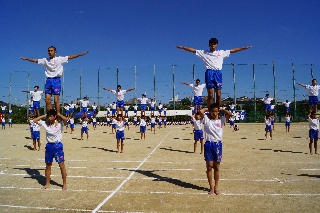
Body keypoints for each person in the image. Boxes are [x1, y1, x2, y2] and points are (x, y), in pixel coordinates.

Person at [176, 38, 251, 108]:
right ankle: (210, 110)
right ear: (209, 45)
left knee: (218, 94)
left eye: (214, 44)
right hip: (209, 73)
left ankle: (217, 110)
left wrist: (242, 48)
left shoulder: (221, 53)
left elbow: (232, 50)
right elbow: (193, 50)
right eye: (211, 44)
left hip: (218, 73)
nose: (213, 46)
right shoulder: (204, 53)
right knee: (210, 94)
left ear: (217, 45)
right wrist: (183, 47)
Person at [21, 46, 89, 114]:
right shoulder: (45, 60)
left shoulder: (60, 59)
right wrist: (27, 59)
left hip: (56, 80)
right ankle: (52, 115)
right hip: (48, 80)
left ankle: (58, 114)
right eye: (49, 51)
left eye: (51, 51)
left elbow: (71, 57)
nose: (50, 52)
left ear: (55, 52)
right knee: (47, 101)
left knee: (56, 100)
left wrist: (81, 54)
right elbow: (36, 60)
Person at [199, 103, 232, 195]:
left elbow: (230, 114)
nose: (214, 113)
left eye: (216, 111)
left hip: (217, 144)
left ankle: (216, 187)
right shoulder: (206, 120)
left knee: (216, 166)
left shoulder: (221, 120)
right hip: (208, 144)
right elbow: (201, 112)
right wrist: (208, 108)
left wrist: (222, 110)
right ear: (210, 111)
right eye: (213, 111)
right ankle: (211, 187)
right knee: (209, 166)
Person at [32, 109, 68, 190]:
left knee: (61, 165)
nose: (50, 118)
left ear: (55, 117)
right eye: (49, 116)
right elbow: (34, 120)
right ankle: (47, 183)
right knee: (48, 165)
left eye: (52, 116)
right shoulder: (45, 124)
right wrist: (44, 115)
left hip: (58, 146)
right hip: (49, 146)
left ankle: (64, 184)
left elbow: (66, 119)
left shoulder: (60, 124)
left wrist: (58, 114)